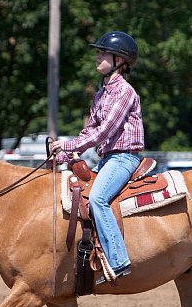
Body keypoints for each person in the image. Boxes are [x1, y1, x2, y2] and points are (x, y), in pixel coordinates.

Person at [50, 31, 144, 285]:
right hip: (106, 159)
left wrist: (68, 144)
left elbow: (105, 131)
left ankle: (118, 261)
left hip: (124, 158)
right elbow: (89, 130)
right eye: (99, 52)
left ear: (119, 60)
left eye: (103, 52)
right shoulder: (101, 92)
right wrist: (64, 154)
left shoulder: (124, 91)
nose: (98, 56)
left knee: (98, 199)